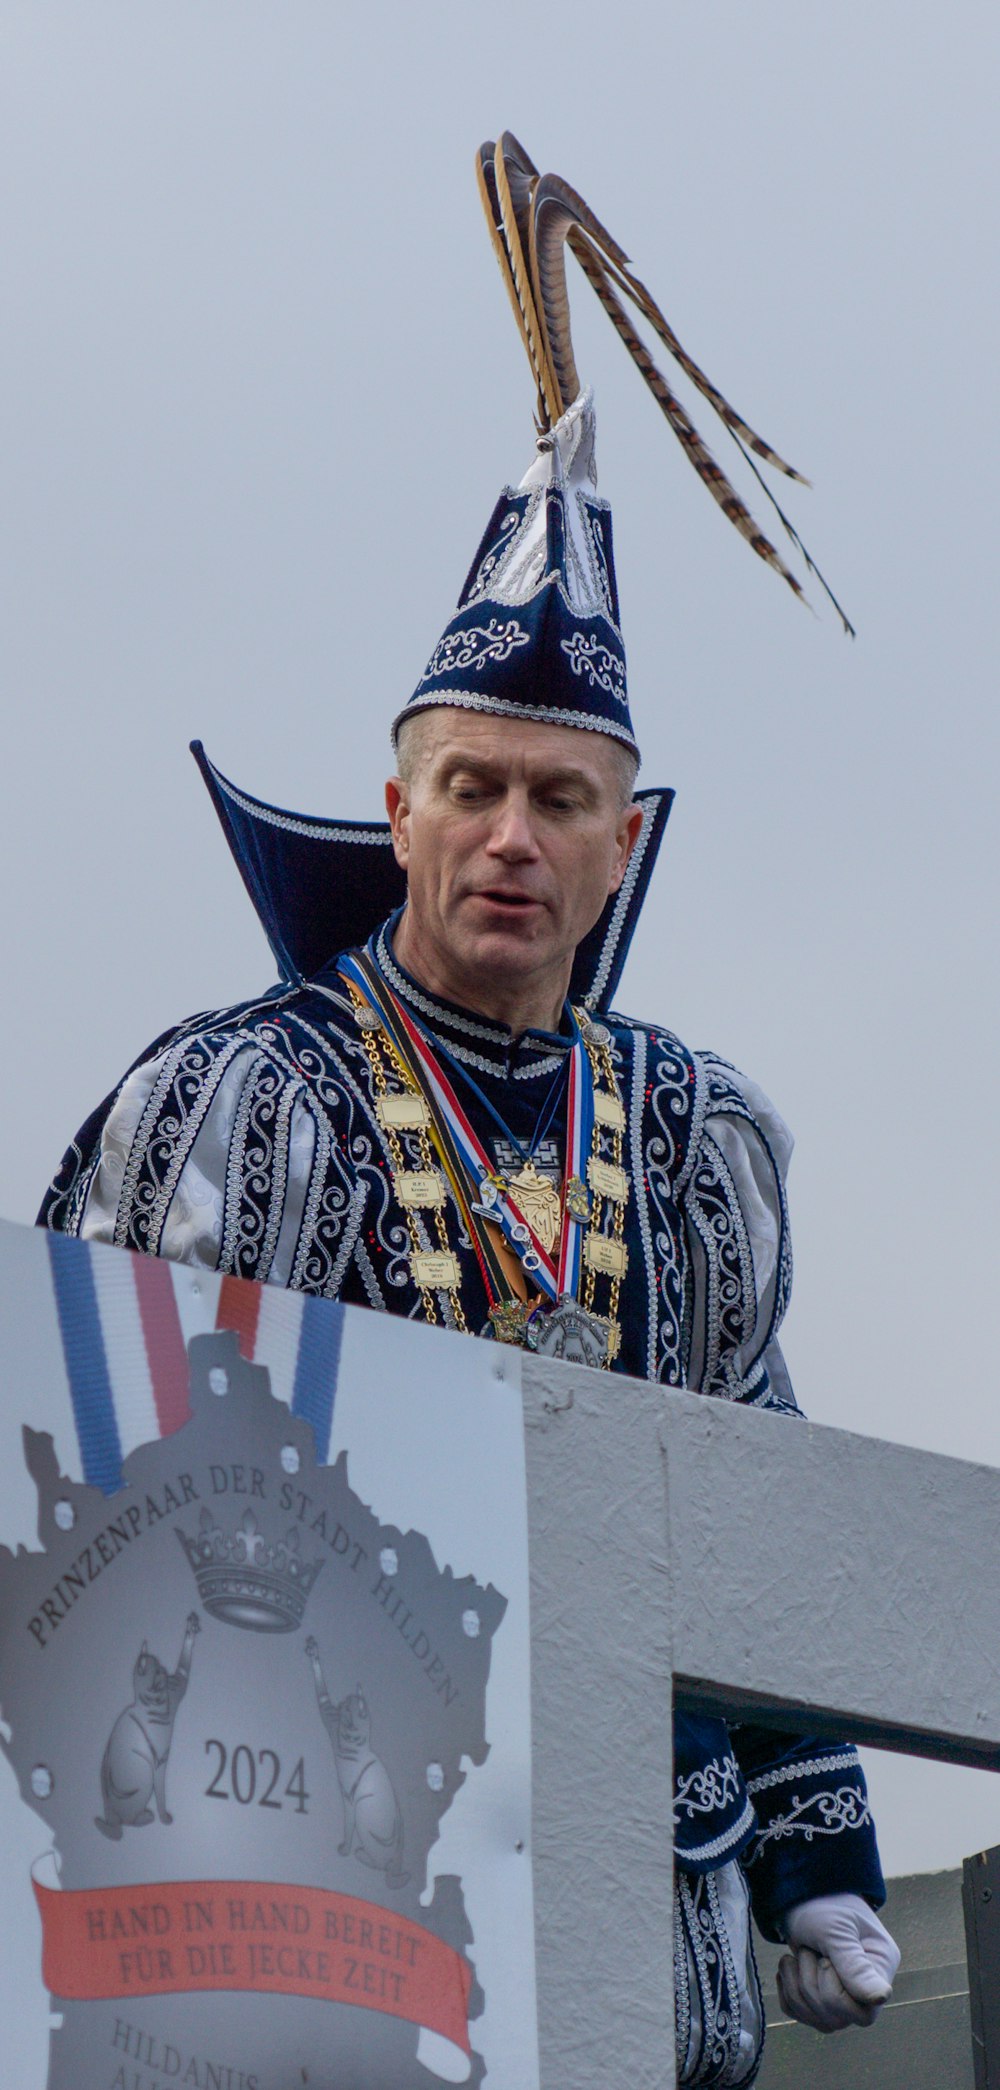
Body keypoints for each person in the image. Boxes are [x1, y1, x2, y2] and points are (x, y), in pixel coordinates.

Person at [40, 139, 898, 2086]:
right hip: (305, 1898)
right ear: (399, 805)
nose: (511, 836)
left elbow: (751, 1474)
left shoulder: (693, 1137)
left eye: (559, 800)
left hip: (642, 1904)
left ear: (622, 846)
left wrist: (811, 1850)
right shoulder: (237, 1098)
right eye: (474, 787)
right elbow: (92, 1471)